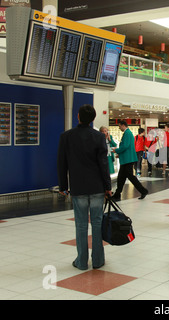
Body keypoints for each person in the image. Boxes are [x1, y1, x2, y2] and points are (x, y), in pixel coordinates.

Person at [57, 104, 112, 270]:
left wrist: (63, 185)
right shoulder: (98, 137)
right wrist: (107, 186)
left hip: (78, 187)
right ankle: (97, 260)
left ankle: (81, 261)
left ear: (78, 117)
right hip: (96, 187)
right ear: (93, 119)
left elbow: (62, 163)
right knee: (96, 223)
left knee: (80, 225)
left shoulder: (66, 136)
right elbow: (103, 164)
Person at [111, 120, 148, 200]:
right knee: (121, 178)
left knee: (130, 177)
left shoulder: (127, 133)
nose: (119, 128)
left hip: (127, 160)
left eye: (120, 126)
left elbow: (125, 146)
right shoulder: (128, 133)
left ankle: (143, 191)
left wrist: (117, 150)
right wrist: (120, 154)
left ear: (123, 125)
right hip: (126, 159)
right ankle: (117, 194)